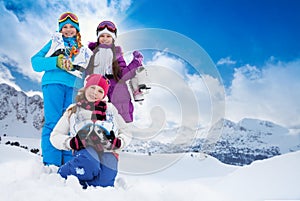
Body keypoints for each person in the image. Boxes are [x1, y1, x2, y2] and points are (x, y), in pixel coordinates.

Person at [31, 12, 92, 166]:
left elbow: (88, 72)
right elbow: (35, 62)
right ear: (60, 29)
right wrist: (55, 62)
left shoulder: (83, 50)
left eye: (72, 27)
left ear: (77, 29)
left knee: (70, 124)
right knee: (53, 122)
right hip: (53, 83)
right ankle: (52, 163)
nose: (68, 30)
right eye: (64, 27)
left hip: (75, 88)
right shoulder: (54, 42)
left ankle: (68, 163)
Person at [50, 74, 131, 188]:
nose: (94, 93)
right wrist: (71, 142)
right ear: (86, 88)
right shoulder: (73, 110)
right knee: (89, 165)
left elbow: (127, 131)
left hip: (108, 151)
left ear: (104, 95)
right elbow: (55, 136)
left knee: (104, 184)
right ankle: (63, 175)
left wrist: (119, 142)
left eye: (100, 90)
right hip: (85, 149)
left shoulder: (111, 109)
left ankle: (81, 187)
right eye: (92, 87)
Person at [86, 20, 150, 123]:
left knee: (122, 123)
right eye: (102, 36)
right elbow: (86, 73)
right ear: (98, 37)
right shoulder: (91, 54)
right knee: (99, 123)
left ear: (113, 38)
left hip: (118, 89)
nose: (105, 39)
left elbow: (123, 74)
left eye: (108, 36)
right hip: (98, 87)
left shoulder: (117, 55)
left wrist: (135, 63)